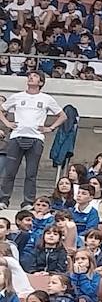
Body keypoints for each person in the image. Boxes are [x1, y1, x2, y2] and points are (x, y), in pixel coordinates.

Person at [0, 72, 67, 210]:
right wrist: (7, 123)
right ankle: (4, 200)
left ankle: (28, 202)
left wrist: (50, 128)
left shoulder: (46, 98)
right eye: (30, 76)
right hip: (16, 136)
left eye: (35, 76)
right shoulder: (17, 96)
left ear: (41, 82)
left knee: (31, 173)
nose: (31, 78)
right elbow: (2, 109)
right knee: (10, 171)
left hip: (36, 138)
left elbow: (62, 116)